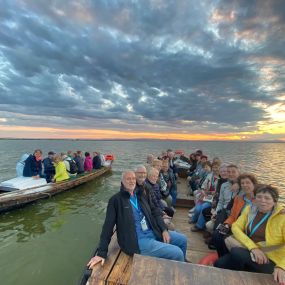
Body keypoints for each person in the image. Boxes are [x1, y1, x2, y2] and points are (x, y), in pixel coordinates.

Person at [87, 171, 188, 269]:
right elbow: (107, 227)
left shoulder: (140, 195)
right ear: (122, 181)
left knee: (183, 240)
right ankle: (180, 272)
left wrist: (164, 230)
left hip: (153, 231)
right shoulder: (116, 200)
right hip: (137, 241)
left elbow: (155, 211)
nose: (132, 181)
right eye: (128, 179)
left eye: (133, 178)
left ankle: (182, 263)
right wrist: (101, 253)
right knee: (177, 252)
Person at [214, 185, 285, 285]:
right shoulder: (250, 209)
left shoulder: (282, 217)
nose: (262, 200)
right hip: (252, 251)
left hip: (271, 259)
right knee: (218, 262)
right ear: (255, 198)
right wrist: (253, 248)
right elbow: (236, 227)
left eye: (267, 198)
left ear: (275, 201)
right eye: (259, 197)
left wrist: (281, 266)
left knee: (237, 253)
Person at [212, 173, 257, 257]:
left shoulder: (259, 200)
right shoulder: (238, 199)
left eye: (248, 183)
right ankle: (222, 256)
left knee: (225, 238)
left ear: (254, 184)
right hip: (235, 226)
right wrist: (226, 224)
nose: (245, 185)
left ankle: (227, 257)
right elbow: (232, 216)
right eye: (242, 183)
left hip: (247, 230)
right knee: (216, 234)